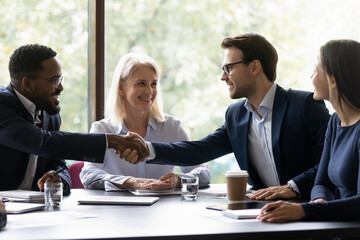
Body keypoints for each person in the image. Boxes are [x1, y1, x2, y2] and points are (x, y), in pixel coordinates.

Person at [125, 33, 330, 201]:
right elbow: (198, 150)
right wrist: (147, 148)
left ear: (255, 67)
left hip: (309, 210)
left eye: (229, 68)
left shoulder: (304, 105)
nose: (223, 77)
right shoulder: (236, 115)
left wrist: (293, 187)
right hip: (262, 214)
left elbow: (334, 156)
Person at [0, 44, 148, 196]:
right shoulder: (2, 104)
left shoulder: (50, 115)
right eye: (54, 80)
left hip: (31, 211)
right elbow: (43, 142)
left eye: (60, 79)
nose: (61, 87)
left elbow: (58, 164)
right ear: (28, 84)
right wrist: (112, 141)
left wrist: (59, 179)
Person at [257, 39, 360, 222]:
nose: (311, 77)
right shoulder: (336, 122)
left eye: (315, 71)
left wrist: (304, 211)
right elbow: (322, 183)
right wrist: (318, 201)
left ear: (333, 80)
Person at [80, 53, 210, 191]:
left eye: (153, 84)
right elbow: (89, 175)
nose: (150, 91)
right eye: (141, 83)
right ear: (121, 88)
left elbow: (203, 171)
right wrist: (130, 182)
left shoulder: (172, 127)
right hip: (117, 210)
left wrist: (179, 180)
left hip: (162, 209)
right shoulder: (101, 129)